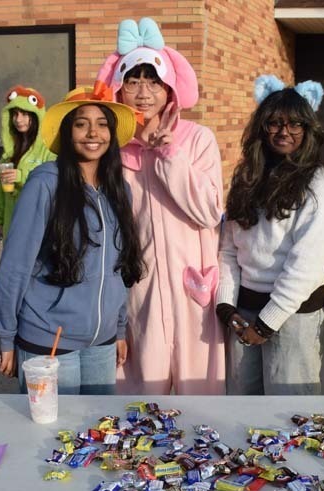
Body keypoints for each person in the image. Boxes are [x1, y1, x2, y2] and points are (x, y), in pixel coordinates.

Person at [0, 84, 144, 491]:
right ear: (65, 132)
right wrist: (6, 335)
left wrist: (119, 327)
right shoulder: (45, 182)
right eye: (82, 124)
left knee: (92, 439)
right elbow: (15, 263)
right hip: (46, 338)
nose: (93, 133)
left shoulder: (115, 186)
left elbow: (120, 268)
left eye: (102, 124)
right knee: (48, 444)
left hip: (100, 341)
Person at [95, 17, 225, 395]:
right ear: (118, 90)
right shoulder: (112, 151)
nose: (143, 92)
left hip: (194, 292)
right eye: (132, 81)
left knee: (201, 396)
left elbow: (208, 210)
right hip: (139, 291)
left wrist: (169, 154)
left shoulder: (198, 139)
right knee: (141, 397)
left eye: (153, 81)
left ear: (170, 88)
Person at [216, 75, 324, 395]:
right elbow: (229, 250)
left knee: (289, 417)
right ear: (262, 128)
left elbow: (307, 266)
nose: (284, 132)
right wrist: (226, 306)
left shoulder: (318, 185)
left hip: (292, 318)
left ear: (307, 130)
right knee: (244, 412)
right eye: (274, 123)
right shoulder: (247, 177)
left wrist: (266, 323)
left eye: (295, 124)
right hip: (243, 317)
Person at [0, 85, 55, 337]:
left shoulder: (47, 150)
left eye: (25, 114)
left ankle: (31, 325)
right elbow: (2, 192)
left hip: (39, 226)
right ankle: (7, 322)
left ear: (37, 117)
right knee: (9, 275)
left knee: (35, 276)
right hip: (12, 224)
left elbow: (51, 185)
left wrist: (23, 175)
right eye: (14, 114)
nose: (19, 119)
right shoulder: (9, 152)